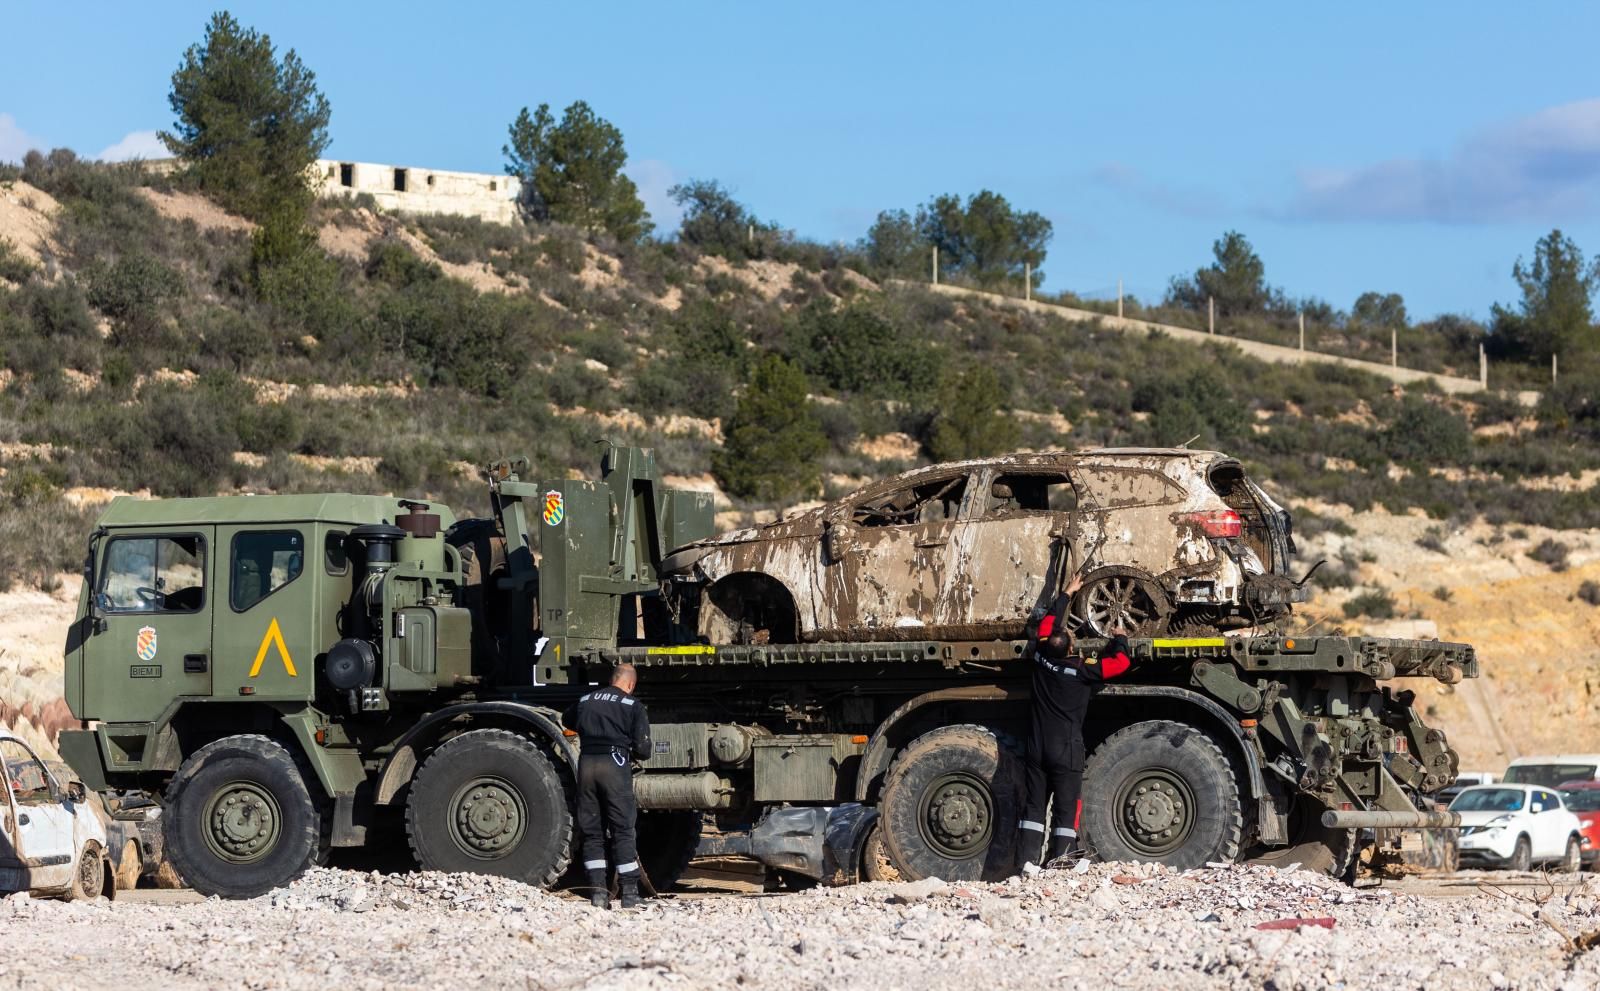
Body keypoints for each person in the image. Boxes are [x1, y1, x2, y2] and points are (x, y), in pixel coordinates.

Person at [1016, 575, 1138, 868]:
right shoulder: (1083, 671)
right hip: (1066, 750)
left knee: (1034, 807)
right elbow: (1120, 664)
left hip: (1037, 747)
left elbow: (1047, 626)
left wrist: (1066, 593)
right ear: (1071, 649)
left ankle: (1026, 863)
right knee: (1066, 809)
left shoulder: (1042, 659)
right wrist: (1119, 637)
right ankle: (1061, 863)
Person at [562, 663, 652, 908]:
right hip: (614, 766)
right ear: (630, 684)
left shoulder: (585, 700)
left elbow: (566, 719)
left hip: (588, 765)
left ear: (612, 679)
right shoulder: (632, 706)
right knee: (623, 829)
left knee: (592, 832)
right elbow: (643, 750)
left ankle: (598, 893)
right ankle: (630, 894)